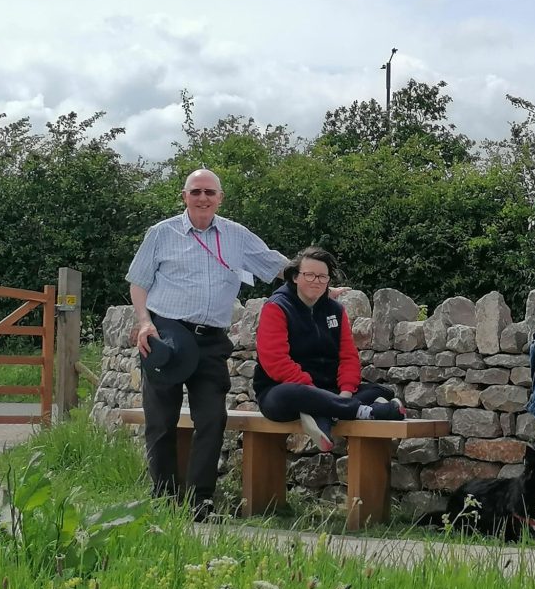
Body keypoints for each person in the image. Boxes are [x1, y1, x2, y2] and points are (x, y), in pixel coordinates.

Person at [127, 168, 289, 520]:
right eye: (196, 191)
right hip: (167, 335)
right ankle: (164, 500)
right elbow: (138, 282)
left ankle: (200, 502)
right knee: (161, 422)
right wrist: (144, 322)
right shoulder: (161, 233)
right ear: (184, 196)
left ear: (220, 198)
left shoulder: (236, 235)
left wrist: (316, 281)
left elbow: (276, 265)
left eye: (210, 192)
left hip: (211, 340)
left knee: (213, 419)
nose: (203, 198)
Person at [253, 246, 405, 451]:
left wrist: (345, 393)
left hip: (330, 390)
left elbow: (348, 357)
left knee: (381, 390)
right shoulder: (277, 307)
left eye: (322, 277)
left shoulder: (336, 310)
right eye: (309, 275)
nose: (316, 281)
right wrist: (315, 393)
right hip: (285, 390)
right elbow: (275, 361)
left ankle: (323, 413)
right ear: (295, 277)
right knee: (292, 394)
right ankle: (367, 411)